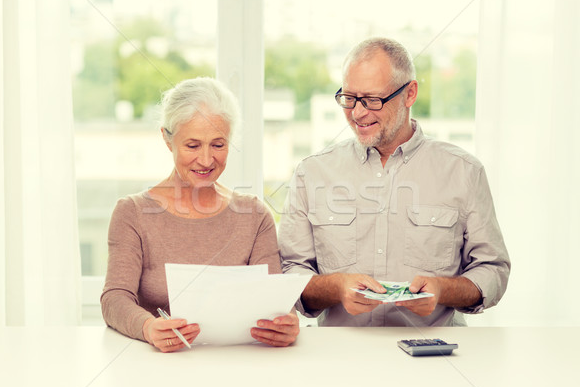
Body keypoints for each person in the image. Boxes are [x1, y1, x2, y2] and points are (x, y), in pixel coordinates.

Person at [278, 37, 510, 327]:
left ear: (410, 93)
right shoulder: (311, 173)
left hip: (432, 355)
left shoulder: (464, 171)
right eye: (349, 99)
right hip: (339, 358)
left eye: (373, 100)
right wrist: (336, 287)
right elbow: (289, 272)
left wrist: (442, 290)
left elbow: (493, 270)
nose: (358, 113)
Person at [101, 77, 299, 352]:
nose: (206, 160)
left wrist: (286, 323)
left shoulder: (255, 215)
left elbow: (277, 304)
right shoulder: (132, 213)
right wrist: (147, 327)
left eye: (218, 145)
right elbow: (115, 299)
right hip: (158, 365)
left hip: (240, 365)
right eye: (192, 146)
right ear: (167, 139)